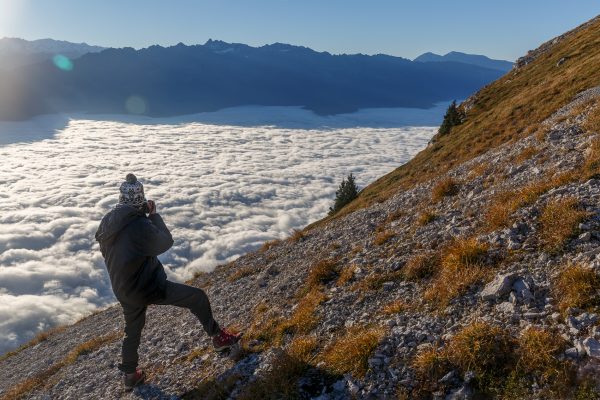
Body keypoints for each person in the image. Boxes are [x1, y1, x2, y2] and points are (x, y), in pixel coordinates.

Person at [95, 173, 240, 392]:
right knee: (196, 297)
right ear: (140, 198)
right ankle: (218, 338)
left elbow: (126, 241)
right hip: (148, 286)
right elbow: (165, 242)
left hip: (122, 288)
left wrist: (142, 215)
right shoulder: (139, 224)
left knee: (132, 330)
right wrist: (154, 216)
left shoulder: (108, 221)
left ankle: (130, 375)